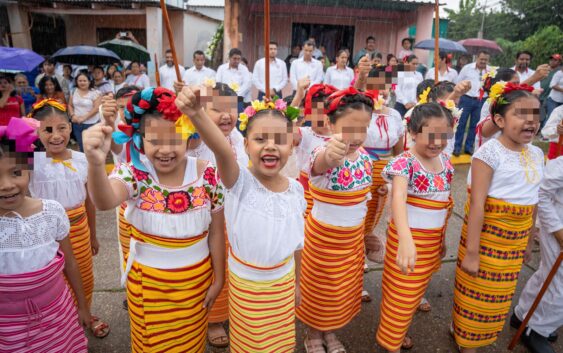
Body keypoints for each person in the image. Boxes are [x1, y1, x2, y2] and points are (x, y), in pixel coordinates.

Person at [84, 87, 225, 352]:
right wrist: (94, 163)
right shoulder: (135, 173)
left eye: (174, 138)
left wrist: (219, 278)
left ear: (189, 136)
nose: (164, 150)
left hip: (196, 282)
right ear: (139, 139)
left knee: (191, 343)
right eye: (154, 140)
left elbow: (217, 232)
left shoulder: (207, 175)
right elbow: (104, 201)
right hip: (148, 286)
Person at [176, 85, 304, 352]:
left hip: (282, 283)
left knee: (279, 346)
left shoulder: (296, 189)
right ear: (245, 145)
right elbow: (221, 149)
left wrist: (297, 283)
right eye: (260, 139)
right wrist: (195, 113)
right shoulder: (239, 182)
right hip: (247, 286)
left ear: (291, 146)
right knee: (250, 346)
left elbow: (297, 244)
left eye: (279, 139)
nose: (270, 145)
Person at [452, 82, 544, 353]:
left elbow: (533, 200)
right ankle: (467, 342)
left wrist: (528, 242)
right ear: (500, 120)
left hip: (514, 243)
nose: (531, 121)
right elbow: (478, 204)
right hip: (486, 238)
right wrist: (471, 252)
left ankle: (478, 334)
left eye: (535, 114)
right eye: (521, 114)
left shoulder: (537, 153)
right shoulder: (489, 153)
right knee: (475, 293)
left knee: (499, 297)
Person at [0, 117, 90, 353]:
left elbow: (70, 264)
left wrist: (82, 306)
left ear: (29, 170)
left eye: (16, 172)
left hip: (59, 317)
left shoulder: (51, 212)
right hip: (7, 332)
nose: (6, 185)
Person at [296, 88, 374, 353]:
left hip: (351, 239)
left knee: (339, 290)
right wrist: (332, 153)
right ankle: (313, 334)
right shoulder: (322, 152)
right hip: (322, 240)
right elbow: (322, 162)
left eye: (363, 129)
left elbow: (363, 198)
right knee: (319, 287)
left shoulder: (364, 156)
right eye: (349, 129)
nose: (357, 136)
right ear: (330, 124)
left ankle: (329, 331)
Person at [27, 99, 110, 339]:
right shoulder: (30, 163)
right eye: (47, 130)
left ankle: (85, 312)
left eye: (61, 128)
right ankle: (65, 322)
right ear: (37, 131)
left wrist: (93, 234)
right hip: (46, 234)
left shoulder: (83, 159)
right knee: (55, 281)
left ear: (70, 127)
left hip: (79, 229)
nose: (55, 136)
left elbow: (89, 202)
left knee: (83, 275)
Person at [376, 103, 455, 353]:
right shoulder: (404, 162)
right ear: (412, 132)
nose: (437, 142)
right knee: (400, 296)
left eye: (443, 135)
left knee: (414, 293)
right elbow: (397, 199)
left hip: (432, 243)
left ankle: (397, 332)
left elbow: (444, 202)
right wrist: (406, 240)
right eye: (430, 135)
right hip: (407, 241)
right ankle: (390, 343)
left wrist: (441, 240)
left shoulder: (446, 161)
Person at [180, 81, 247, 348]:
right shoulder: (196, 139)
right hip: (206, 216)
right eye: (217, 109)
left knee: (230, 265)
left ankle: (229, 308)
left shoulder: (239, 137)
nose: (226, 115)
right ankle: (213, 319)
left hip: (236, 212)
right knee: (211, 265)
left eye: (231, 109)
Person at [511, 156, 563, 353]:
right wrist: (558, 230)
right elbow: (541, 194)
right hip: (557, 227)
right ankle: (536, 330)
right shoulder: (560, 166)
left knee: (548, 274)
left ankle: (522, 315)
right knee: (559, 283)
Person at [293, 83, 336, 218]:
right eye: (317, 113)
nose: (323, 118)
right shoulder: (304, 135)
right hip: (308, 196)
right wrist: (299, 95)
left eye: (327, 113)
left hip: (333, 197)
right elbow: (285, 126)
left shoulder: (341, 137)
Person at [453, 50, 490, 156]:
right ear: (476, 58)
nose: (483, 61)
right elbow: (457, 82)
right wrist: (458, 97)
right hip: (466, 99)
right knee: (461, 124)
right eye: (481, 59)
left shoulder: (490, 71)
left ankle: (469, 147)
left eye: (485, 60)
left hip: (481, 100)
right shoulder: (467, 68)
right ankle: (457, 147)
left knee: (475, 125)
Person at [475, 68, 519, 150]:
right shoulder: (490, 103)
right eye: (514, 84)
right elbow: (485, 132)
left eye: (518, 83)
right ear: (500, 84)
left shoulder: (520, 101)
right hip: (492, 150)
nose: (518, 87)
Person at [68, 73, 101, 151]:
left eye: (84, 81)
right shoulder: (73, 91)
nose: (82, 82)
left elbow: (96, 108)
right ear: (76, 82)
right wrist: (73, 116)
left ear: (89, 82)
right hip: (77, 123)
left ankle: (93, 162)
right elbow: (70, 105)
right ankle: (83, 162)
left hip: (91, 123)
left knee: (90, 146)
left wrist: (84, 118)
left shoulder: (95, 92)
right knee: (81, 144)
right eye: (80, 81)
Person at [540, 54, 562, 124]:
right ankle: (540, 130)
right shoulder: (544, 69)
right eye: (551, 59)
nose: (552, 61)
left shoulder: (559, 71)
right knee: (539, 115)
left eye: (555, 60)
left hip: (550, 97)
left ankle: (544, 132)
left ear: (559, 62)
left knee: (550, 116)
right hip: (540, 94)